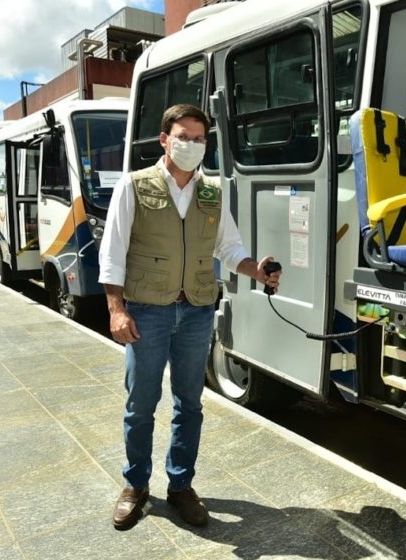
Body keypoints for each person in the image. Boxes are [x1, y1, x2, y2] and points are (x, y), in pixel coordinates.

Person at [98, 103, 282, 530]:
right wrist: (115, 309)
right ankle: (136, 486)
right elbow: (113, 252)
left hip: (196, 311)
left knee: (190, 405)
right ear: (165, 139)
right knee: (141, 405)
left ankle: (180, 486)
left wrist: (256, 269)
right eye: (184, 136)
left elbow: (228, 247)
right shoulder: (134, 185)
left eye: (200, 139)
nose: (192, 145)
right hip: (147, 310)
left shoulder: (212, 192)